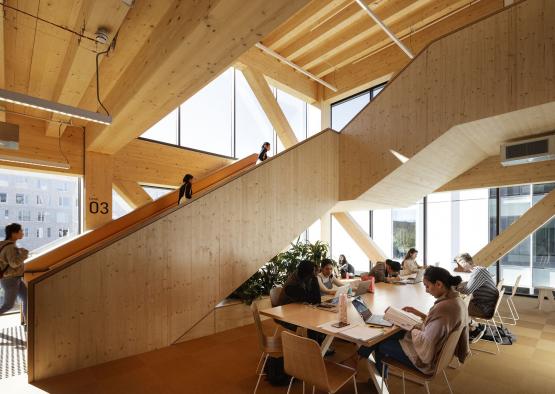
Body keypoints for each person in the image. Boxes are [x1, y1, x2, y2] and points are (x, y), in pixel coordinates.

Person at [356, 266, 469, 380]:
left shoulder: (443, 308)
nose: (426, 290)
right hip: (440, 354)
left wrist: (411, 327)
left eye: (427, 286)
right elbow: (438, 324)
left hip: (426, 362)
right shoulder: (457, 301)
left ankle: (377, 381)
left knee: (381, 343)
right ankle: (360, 357)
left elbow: (426, 343)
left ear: (439, 284)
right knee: (395, 333)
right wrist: (419, 314)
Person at [455, 255, 499, 342]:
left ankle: (475, 329)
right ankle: (474, 326)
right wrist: (463, 285)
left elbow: (467, 291)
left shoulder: (478, 272)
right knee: (461, 304)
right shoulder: (480, 270)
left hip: (484, 308)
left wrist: (455, 287)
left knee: (457, 309)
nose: (459, 266)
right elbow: (471, 285)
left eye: (460, 263)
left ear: (465, 263)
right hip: (488, 303)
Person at [0, 223, 29, 323]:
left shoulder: (7, 245)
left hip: (15, 278)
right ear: (14, 233)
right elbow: (14, 263)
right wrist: (24, 253)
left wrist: (19, 252)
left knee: (27, 299)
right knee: (8, 305)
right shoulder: (10, 247)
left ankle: (29, 324)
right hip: (10, 280)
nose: (23, 233)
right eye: (21, 231)